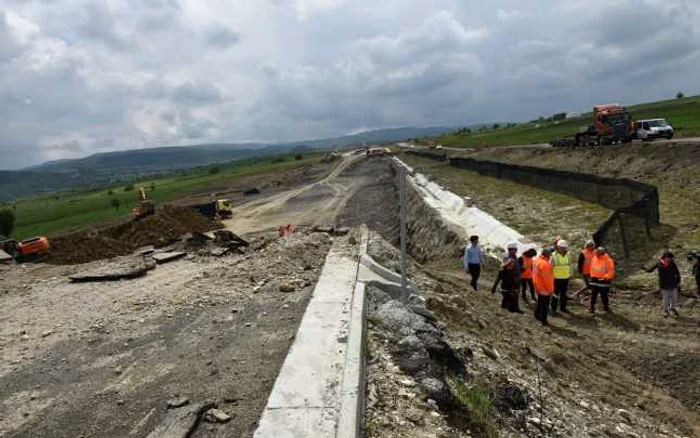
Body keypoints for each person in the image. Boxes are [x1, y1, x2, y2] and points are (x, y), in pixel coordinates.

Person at [645, 252, 681, 317]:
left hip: (673, 283)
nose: (670, 259)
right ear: (665, 257)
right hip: (663, 284)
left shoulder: (672, 263)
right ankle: (665, 310)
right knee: (666, 298)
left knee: (674, 297)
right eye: (669, 258)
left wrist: (678, 281)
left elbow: (677, 273)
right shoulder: (659, 263)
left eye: (671, 258)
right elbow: (651, 270)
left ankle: (672, 308)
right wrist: (645, 269)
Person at [589, 247, 615, 314]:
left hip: (604, 281)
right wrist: (592, 277)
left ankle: (606, 307)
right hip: (594, 280)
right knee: (593, 294)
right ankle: (592, 307)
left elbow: (611, 272)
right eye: (596, 253)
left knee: (604, 295)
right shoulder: (594, 258)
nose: (596, 254)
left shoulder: (608, 260)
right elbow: (592, 268)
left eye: (597, 253)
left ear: (602, 253)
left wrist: (606, 278)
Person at [533, 247, 555, 325]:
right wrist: (550, 289)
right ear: (547, 255)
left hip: (538, 285)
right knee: (545, 305)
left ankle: (537, 314)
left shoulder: (537, 261)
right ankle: (543, 320)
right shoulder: (545, 264)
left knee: (540, 302)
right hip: (544, 288)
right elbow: (547, 279)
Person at [551, 239, 573, 314]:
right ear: (558, 247)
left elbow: (570, 265)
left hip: (565, 277)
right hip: (556, 278)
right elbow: (550, 267)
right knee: (555, 294)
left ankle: (563, 308)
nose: (563, 249)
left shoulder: (568, 254)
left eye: (564, 247)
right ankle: (553, 309)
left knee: (564, 294)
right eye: (561, 247)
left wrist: (571, 274)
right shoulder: (553, 255)